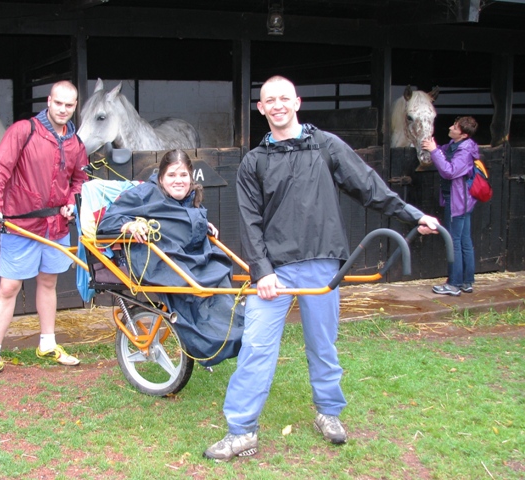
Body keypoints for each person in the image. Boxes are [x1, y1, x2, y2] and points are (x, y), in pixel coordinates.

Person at [203, 75, 441, 461]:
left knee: (323, 345)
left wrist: (413, 215)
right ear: (261, 109)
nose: (277, 105)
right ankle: (241, 431)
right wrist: (262, 271)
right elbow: (249, 221)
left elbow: (370, 186)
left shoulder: (326, 146)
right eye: (269, 100)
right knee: (256, 347)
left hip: (322, 265)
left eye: (284, 98)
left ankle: (328, 413)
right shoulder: (254, 162)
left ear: (296, 102)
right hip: (275, 273)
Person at [0, 80, 89, 381]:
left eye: (69, 105)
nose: (63, 109)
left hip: (56, 225)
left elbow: (80, 181)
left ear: (75, 106)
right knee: (9, 288)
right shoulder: (24, 131)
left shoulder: (76, 143)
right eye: (58, 103)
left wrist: (73, 203)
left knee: (48, 283)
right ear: (49, 101)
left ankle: (48, 345)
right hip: (21, 223)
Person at [97, 149, 244, 366]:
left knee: (218, 268)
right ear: (161, 177)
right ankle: (210, 340)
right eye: (172, 175)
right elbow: (106, 222)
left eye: (183, 175)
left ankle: (235, 330)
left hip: (188, 257)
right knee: (192, 288)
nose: (178, 181)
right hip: (159, 260)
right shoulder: (144, 194)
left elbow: (183, 220)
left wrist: (201, 225)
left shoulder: (191, 196)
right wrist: (129, 225)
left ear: (191, 177)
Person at [422, 116, 479, 296]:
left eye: (454, 126)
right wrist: (434, 149)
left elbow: (449, 171)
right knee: (464, 241)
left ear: (463, 134)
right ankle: (466, 282)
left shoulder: (464, 152)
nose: (450, 127)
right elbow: (442, 152)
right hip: (461, 201)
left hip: (457, 202)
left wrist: (433, 151)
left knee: (454, 241)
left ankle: (454, 284)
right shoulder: (456, 146)